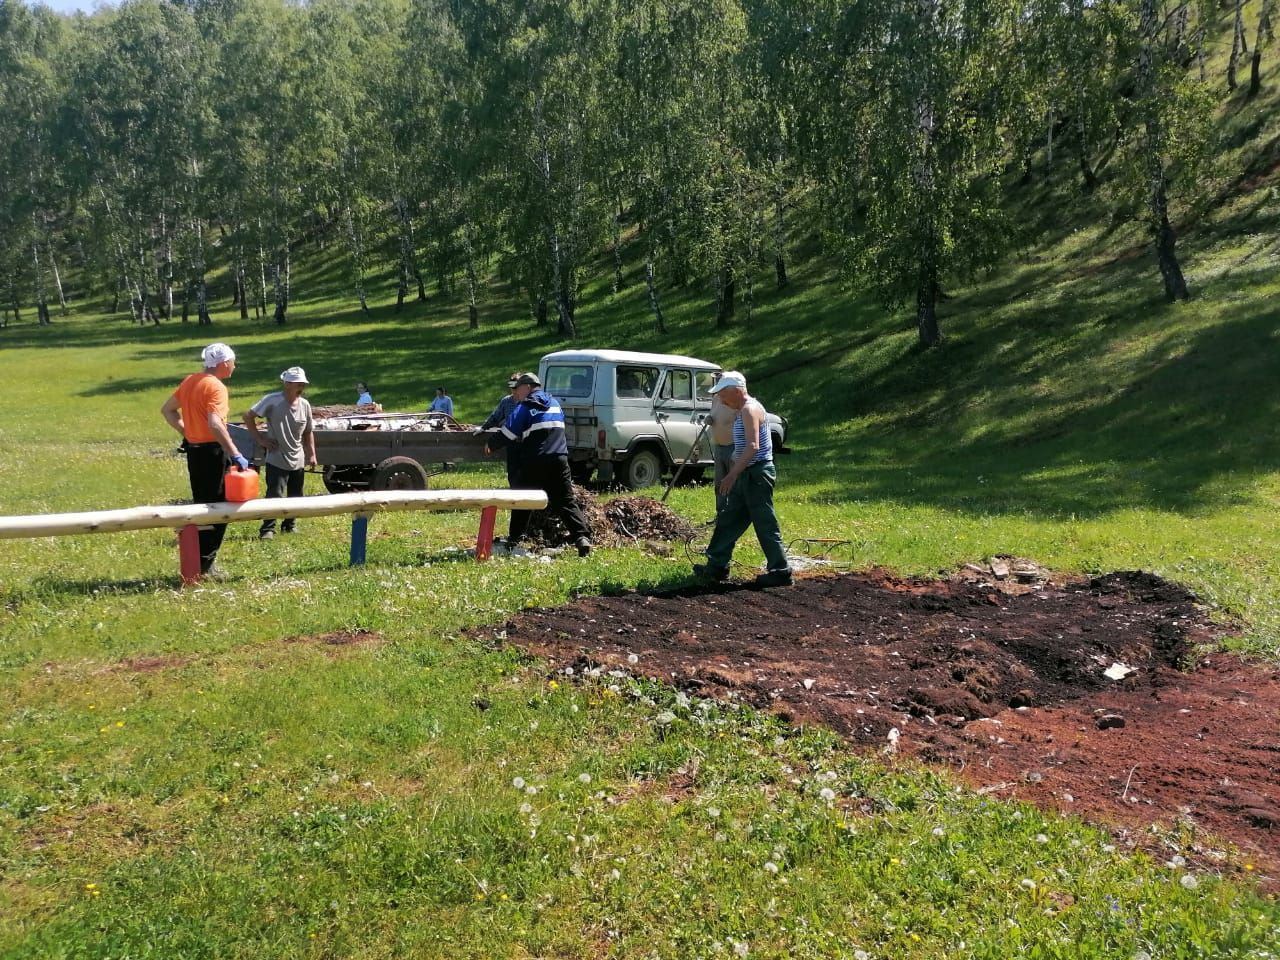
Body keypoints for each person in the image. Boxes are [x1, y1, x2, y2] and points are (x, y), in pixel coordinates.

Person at [693, 371, 792, 587]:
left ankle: (780, 571)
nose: (720, 399)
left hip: (756, 474)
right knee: (729, 519)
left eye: (722, 394)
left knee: (764, 522)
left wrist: (732, 474)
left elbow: (753, 446)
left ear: (736, 390)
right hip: (746, 473)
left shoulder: (750, 409)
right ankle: (716, 566)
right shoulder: (741, 410)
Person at [160, 342, 249, 578]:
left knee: (202, 505)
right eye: (232, 361)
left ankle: (198, 562)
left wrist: (187, 433)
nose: (234, 366)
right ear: (223, 364)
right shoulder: (216, 387)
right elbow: (215, 423)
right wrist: (234, 452)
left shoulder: (191, 381)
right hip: (213, 452)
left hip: (195, 451)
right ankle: (205, 565)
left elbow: (167, 410)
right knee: (219, 508)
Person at [486, 372, 593, 557]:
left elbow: (509, 432)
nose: (515, 394)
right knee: (565, 500)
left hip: (535, 460)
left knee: (523, 498)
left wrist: (491, 445)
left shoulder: (526, 406)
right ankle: (582, 537)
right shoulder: (555, 403)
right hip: (560, 458)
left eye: (517, 389)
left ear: (527, 387)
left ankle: (514, 539)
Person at [244, 366, 317, 540]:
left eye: (302, 384)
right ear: (287, 384)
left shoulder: (305, 405)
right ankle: (267, 529)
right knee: (274, 494)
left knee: (296, 495)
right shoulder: (272, 400)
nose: (301, 387)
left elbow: (308, 432)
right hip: (277, 457)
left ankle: (289, 525)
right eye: (298, 384)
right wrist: (261, 440)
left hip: (297, 458)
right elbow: (248, 416)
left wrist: (312, 454)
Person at [479, 372, 522, 486]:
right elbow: (496, 416)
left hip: (526, 442)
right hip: (511, 441)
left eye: (516, 388)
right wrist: (484, 427)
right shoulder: (506, 401)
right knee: (512, 472)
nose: (513, 391)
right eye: (511, 388)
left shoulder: (527, 401)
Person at [706, 371, 739, 516]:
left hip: (733, 446)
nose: (717, 384)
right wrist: (709, 418)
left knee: (732, 482)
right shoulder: (715, 399)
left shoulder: (734, 401)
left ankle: (732, 514)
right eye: (716, 381)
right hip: (719, 446)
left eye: (719, 381)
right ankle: (720, 514)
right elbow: (713, 414)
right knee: (719, 483)